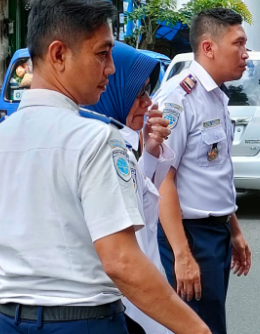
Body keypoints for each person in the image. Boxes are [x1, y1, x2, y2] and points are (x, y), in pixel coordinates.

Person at [0, 0, 208, 334]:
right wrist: (197, 330)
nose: (110, 68)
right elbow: (121, 261)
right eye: (102, 53)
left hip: (9, 320)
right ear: (59, 54)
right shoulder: (95, 140)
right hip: (84, 322)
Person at [152, 8, 253, 334]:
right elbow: (164, 178)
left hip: (215, 234)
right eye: (238, 44)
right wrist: (182, 255)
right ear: (208, 48)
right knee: (195, 327)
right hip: (190, 237)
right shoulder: (179, 98)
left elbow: (216, 171)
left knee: (211, 324)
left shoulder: (216, 97)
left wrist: (233, 229)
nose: (245, 53)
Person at [85, 41, 177, 334]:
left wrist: (150, 151)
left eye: (149, 91)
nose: (149, 102)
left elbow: (139, 199)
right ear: (113, 91)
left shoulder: (122, 144)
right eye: (139, 93)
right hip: (128, 307)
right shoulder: (103, 148)